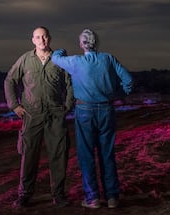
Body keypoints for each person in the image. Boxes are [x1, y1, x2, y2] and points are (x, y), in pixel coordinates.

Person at [51, 28, 133, 209]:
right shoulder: (108, 59)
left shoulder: (75, 61)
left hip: (84, 110)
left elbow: (55, 58)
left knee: (86, 154)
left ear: (81, 44)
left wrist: (60, 51)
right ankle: (112, 197)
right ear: (96, 43)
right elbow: (128, 81)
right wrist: (117, 95)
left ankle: (92, 198)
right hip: (106, 110)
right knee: (107, 154)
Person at [4, 26, 74, 208]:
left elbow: (70, 83)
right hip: (32, 115)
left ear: (49, 38)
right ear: (32, 40)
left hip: (55, 115)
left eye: (44, 37)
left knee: (58, 155)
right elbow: (10, 80)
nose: (41, 40)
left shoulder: (59, 60)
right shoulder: (25, 59)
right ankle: (24, 195)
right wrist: (14, 105)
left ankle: (58, 195)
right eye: (38, 37)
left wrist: (67, 106)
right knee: (29, 156)